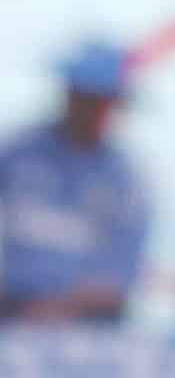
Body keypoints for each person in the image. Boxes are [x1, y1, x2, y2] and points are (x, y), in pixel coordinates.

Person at [0, 37, 148, 320]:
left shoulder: (126, 180)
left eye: (103, 100)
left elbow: (120, 279)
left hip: (88, 327)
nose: (92, 109)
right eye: (84, 96)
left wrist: (57, 309)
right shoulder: (16, 154)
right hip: (10, 314)